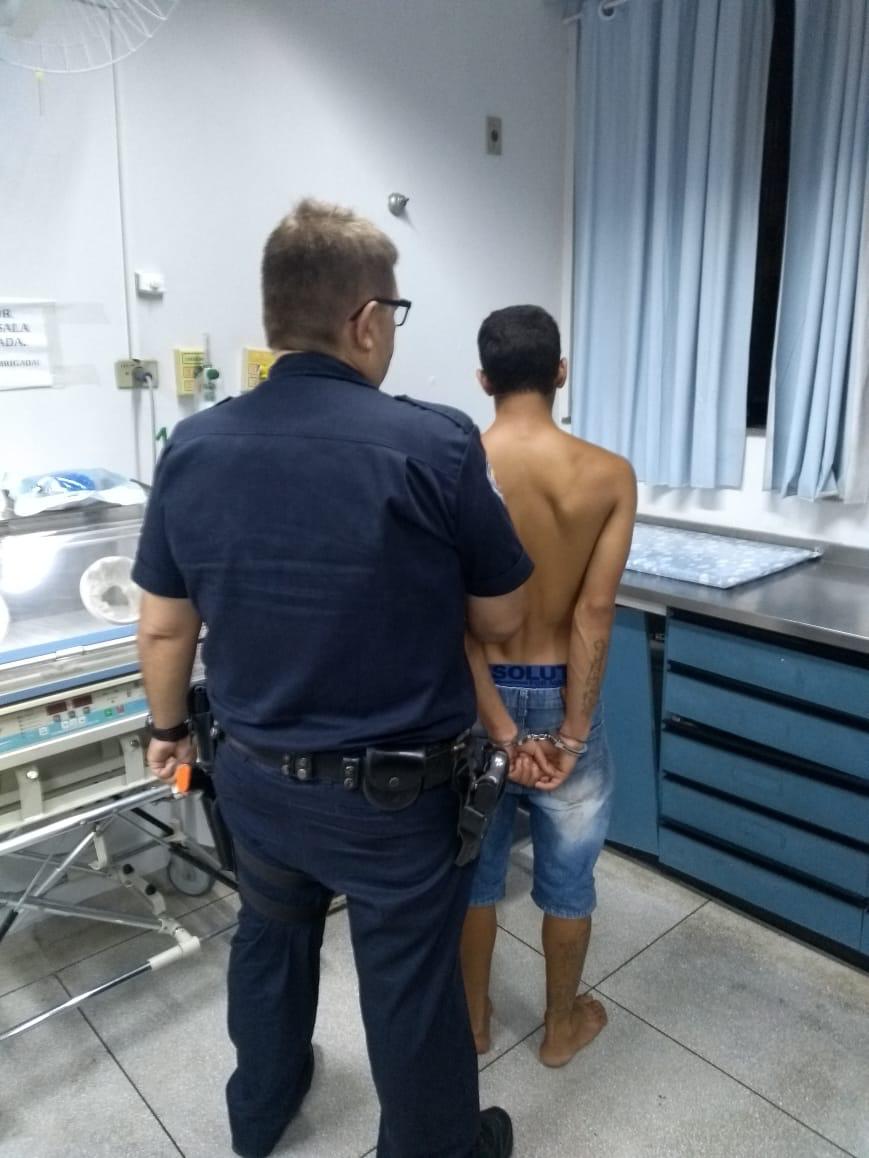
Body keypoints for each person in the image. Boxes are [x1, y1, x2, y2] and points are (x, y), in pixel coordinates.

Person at [132, 200, 532, 1158]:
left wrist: (168, 732)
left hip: (257, 779)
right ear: (364, 320)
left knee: (269, 940)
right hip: (394, 801)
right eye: (394, 312)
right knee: (409, 983)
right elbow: (503, 618)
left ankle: (259, 1111)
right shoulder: (435, 444)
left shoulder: (192, 447)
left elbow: (163, 625)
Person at [460, 304, 636, 1069]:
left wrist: (498, 722)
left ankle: (472, 1024)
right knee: (568, 880)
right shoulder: (608, 475)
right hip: (566, 690)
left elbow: (453, 619)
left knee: (474, 875)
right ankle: (560, 1029)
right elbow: (594, 612)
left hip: (477, 696)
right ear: (559, 371)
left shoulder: (455, 466)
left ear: (483, 379)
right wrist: (569, 732)